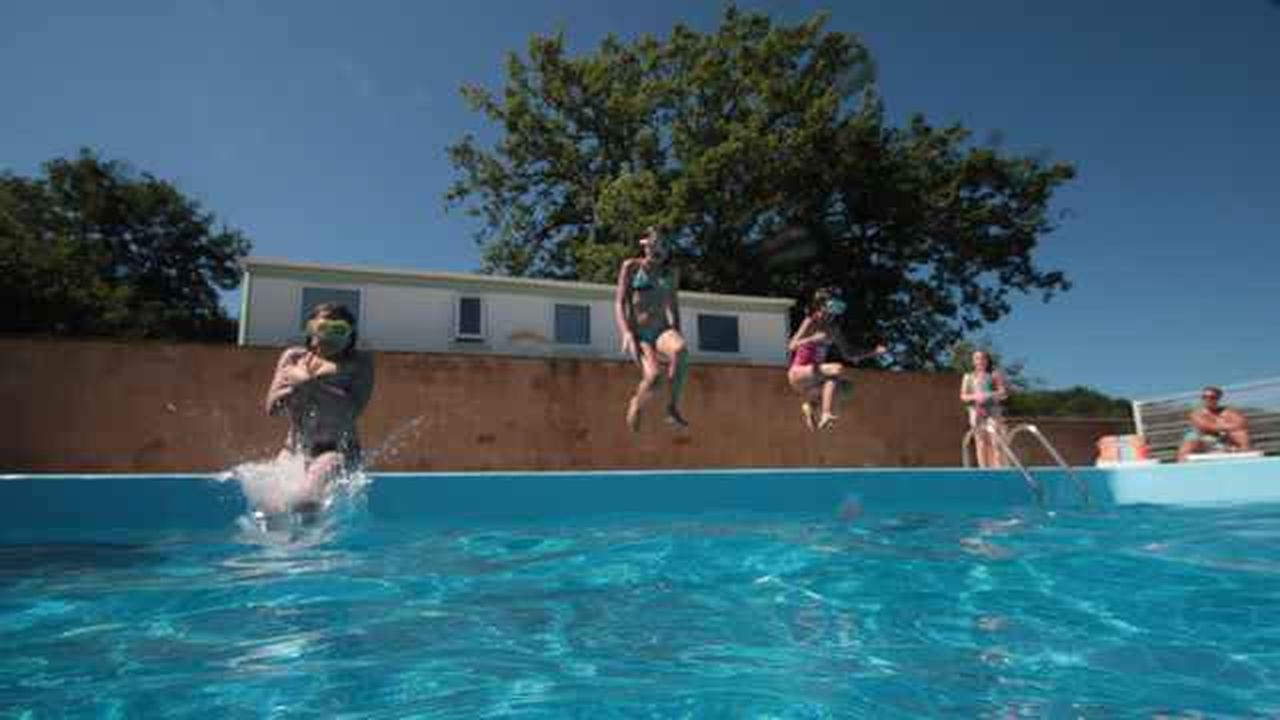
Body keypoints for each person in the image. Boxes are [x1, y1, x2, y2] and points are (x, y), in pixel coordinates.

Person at [263, 302, 375, 514]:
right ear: (311, 331)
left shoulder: (360, 363)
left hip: (336, 451)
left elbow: (351, 412)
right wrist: (288, 392)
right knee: (269, 509)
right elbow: (271, 409)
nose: (329, 337)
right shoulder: (293, 357)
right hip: (294, 450)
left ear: (350, 335)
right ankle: (280, 548)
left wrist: (309, 383)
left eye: (339, 330)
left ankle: (314, 546)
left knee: (304, 501)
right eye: (323, 328)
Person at [614, 226, 690, 432]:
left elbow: (673, 306)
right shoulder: (631, 267)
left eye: (662, 248)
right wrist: (626, 333)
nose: (657, 253)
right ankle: (637, 403)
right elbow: (620, 302)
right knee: (654, 378)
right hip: (640, 334)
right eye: (654, 247)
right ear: (645, 246)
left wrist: (676, 334)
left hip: (661, 331)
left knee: (681, 351)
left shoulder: (670, 273)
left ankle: (672, 408)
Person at [786, 288, 887, 431]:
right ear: (822, 305)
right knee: (836, 368)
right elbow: (791, 346)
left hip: (814, 379)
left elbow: (849, 354)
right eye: (833, 304)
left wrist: (873, 352)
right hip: (798, 374)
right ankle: (826, 414)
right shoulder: (811, 321)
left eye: (838, 306)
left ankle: (811, 405)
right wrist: (812, 339)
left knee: (846, 388)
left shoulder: (834, 329)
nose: (834, 312)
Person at [960, 350, 1010, 468]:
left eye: (982, 358)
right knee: (981, 442)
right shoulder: (968, 377)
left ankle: (998, 469)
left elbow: (1003, 392)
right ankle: (984, 470)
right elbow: (963, 396)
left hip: (993, 410)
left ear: (987, 361)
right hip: (976, 411)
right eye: (977, 358)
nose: (980, 361)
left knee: (995, 440)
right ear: (973, 361)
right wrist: (976, 396)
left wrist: (988, 394)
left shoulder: (994, 375)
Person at [1177, 386, 1252, 461]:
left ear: (1218, 398)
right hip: (1203, 441)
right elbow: (1205, 426)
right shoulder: (1197, 413)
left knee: (1240, 433)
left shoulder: (1227, 411)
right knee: (1191, 438)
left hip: (1223, 440)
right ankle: (1182, 467)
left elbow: (1241, 423)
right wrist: (1224, 424)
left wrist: (1219, 427)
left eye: (1212, 397)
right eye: (1204, 397)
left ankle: (1246, 461)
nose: (1207, 399)